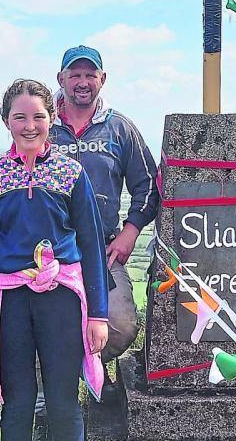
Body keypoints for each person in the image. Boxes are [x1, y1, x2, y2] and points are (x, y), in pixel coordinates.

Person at [0, 79, 109, 441]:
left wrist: (98, 313)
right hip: (7, 299)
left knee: (66, 398)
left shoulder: (71, 174)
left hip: (62, 298)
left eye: (38, 116)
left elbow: (89, 243)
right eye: (19, 117)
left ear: (52, 118)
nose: (29, 126)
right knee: (17, 399)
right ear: (6, 121)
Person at [50, 45, 159, 371]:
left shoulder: (119, 128)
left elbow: (149, 185)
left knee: (121, 326)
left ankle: (78, 372)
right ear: (61, 78)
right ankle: (50, 390)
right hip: (49, 250)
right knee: (41, 323)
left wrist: (131, 230)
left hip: (102, 248)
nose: (82, 82)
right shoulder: (43, 125)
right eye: (75, 75)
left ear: (103, 79)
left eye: (90, 75)